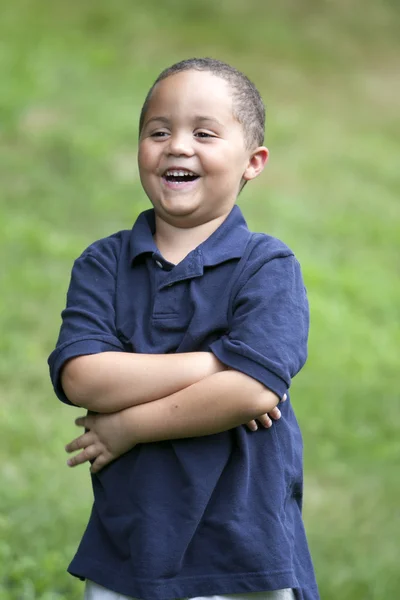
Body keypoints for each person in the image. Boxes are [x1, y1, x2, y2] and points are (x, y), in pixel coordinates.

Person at [48, 58, 319, 600]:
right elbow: (82, 378)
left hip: (244, 554)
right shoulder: (104, 264)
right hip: (132, 550)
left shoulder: (267, 266)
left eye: (203, 132)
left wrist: (129, 427)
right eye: (158, 131)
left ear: (253, 161)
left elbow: (251, 391)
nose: (177, 145)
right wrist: (218, 363)